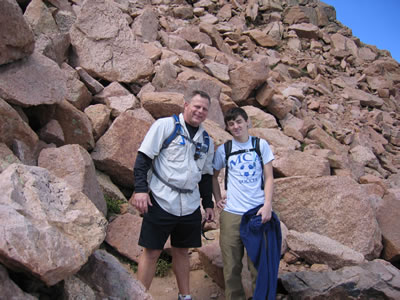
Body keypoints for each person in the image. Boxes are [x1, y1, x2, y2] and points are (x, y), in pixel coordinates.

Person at [130, 90, 215, 300]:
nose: (200, 111)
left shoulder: (207, 140)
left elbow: (205, 176)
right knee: (151, 252)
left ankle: (185, 296)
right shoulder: (164, 126)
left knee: (182, 251)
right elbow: (143, 159)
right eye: (196, 106)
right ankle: (140, 296)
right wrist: (141, 190)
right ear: (185, 105)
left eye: (205, 109)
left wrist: (208, 204)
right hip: (161, 199)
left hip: (190, 204)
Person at [212, 107, 280, 300]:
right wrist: (218, 198)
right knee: (231, 266)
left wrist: (267, 204)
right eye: (231, 124)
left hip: (256, 213)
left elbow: (268, 177)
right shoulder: (224, 149)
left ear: (247, 121)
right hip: (232, 214)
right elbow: (212, 175)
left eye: (239, 121)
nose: (236, 126)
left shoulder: (261, 145)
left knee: (258, 264)